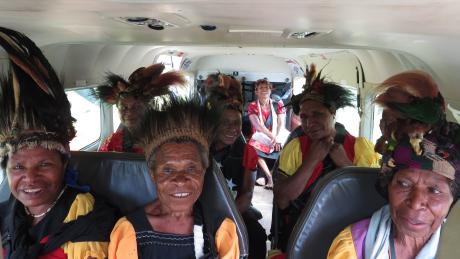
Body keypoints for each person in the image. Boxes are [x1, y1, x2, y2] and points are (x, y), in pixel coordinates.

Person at [0, 27, 116, 258]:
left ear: (64, 164)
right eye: (18, 167)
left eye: (44, 165)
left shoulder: (92, 220)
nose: (30, 178)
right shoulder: (6, 214)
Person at [328, 71, 460, 259]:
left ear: (452, 198)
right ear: (388, 185)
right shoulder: (354, 245)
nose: (415, 204)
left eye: (434, 190)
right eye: (404, 184)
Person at [108, 95, 240, 259]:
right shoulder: (130, 231)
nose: (180, 180)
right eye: (168, 170)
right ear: (153, 175)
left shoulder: (220, 230)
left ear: (203, 172)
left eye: (191, 168)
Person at [273, 64, 380, 251]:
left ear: (332, 113)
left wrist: (345, 166)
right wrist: (311, 161)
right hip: (303, 231)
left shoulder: (360, 147)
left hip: (349, 231)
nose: (309, 123)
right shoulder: (296, 147)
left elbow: (370, 200)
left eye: (317, 115)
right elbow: (282, 200)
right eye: (304, 117)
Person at [207, 77, 267, 259]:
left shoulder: (248, 152)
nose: (233, 129)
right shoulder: (199, 148)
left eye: (237, 123)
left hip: (235, 209)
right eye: (226, 123)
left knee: (256, 234)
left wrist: (226, 219)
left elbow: (247, 194)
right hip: (201, 210)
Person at [95, 64, 185, 153]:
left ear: (148, 108)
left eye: (137, 107)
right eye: (124, 108)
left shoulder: (168, 138)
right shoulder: (112, 142)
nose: (130, 113)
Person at [247, 79, 286, 189]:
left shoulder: (278, 104)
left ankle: (273, 174)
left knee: (285, 148)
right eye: (261, 88)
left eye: (266, 88)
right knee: (252, 146)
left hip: (277, 135)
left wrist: (277, 138)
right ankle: (269, 177)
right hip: (261, 136)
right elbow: (258, 126)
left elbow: (280, 123)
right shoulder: (252, 106)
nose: (264, 90)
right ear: (256, 91)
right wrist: (272, 137)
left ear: (270, 90)